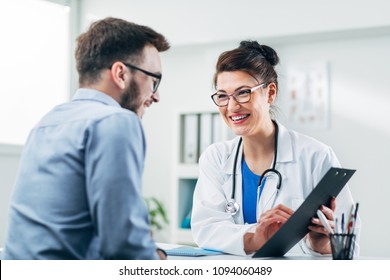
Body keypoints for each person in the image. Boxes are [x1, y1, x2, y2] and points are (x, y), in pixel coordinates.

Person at [3, 17, 170, 260]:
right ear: (120, 73)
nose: (155, 96)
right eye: (154, 81)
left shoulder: (48, 121)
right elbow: (123, 245)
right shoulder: (116, 121)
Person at [191, 40, 360, 256]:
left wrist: (320, 244)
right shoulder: (215, 158)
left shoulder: (316, 157)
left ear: (270, 93)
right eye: (223, 96)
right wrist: (255, 238)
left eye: (243, 92)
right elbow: (206, 229)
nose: (232, 107)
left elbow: (348, 246)